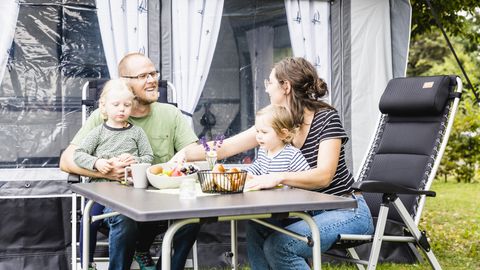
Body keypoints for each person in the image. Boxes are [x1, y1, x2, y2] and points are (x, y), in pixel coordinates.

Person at [184, 57, 374, 269]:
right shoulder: (279, 124)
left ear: (286, 87)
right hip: (307, 212)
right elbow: (226, 147)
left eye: (270, 83)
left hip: (346, 210)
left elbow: (324, 176)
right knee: (258, 224)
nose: (266, 89)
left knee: (280, 246)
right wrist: (184, 154)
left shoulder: (326, 118)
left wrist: (277, 177)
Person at [60, 52, 200, 270]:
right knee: (124, 217)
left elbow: (192, 149)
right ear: (125, 81)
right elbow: (67, 160)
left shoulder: (170, 114)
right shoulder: (103, 116)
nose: (153, 80)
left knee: (191, 217)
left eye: (154, 73)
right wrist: (104, 171)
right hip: (115, 202)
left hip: (158, 199)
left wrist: (182, 158)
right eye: (144, 75)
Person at [74, 79, 154, 270]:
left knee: (139, 216)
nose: (121, 109)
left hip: (129, 191)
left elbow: (149, 157)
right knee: (89, 221)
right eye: (116, 105)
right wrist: (97, 162)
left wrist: (135, 160)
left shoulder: (137, 133)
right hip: (100, 191)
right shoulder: (98, 132)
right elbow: (78, 154)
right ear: (104, 107)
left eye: (127, 105)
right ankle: (86, 262)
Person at [247, 104, 310, 178]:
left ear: (282, 134)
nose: (259, 136)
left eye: (264, 132)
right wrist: (247, 174)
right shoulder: (263, 151)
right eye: (257, 131)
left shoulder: (292, 155)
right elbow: (257, 167)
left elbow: (306, 177)